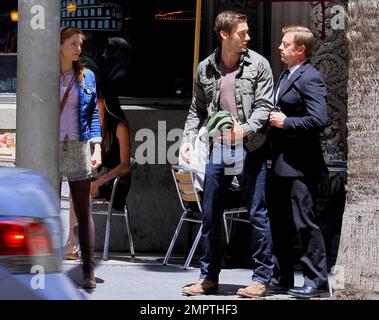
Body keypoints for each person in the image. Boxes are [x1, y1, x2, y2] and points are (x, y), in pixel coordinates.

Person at [180, 11, 274, 298]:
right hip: (218, 148)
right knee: (210, 213)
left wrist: (243, 131)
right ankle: (208, 277)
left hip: (251, 146)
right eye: (241, 32)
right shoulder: (206, 68)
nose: (248, 36)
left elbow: (264, 107)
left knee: (257, 213)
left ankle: (261, 279)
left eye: (247, 32)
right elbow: (197, 107)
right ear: (224, 34)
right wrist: (187, 137)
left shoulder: (259, 65)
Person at [268, 26, 329, 298]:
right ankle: (282, 277)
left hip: (301, 166)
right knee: (280, 223)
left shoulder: (310, 77)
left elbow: (319, 119)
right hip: (280, 163)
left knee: (304, 223)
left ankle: (316, 281)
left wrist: (286, 122)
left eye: (285, 44)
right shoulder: (286, 74)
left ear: (300, 50)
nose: (280, 47)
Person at [59, 27, 102, 289]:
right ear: (60, 45)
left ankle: (88, 268)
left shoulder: (87, 77)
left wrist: (96, 146)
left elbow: (94, 116)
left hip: (79, 145)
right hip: (50, 145)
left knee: (84, 210)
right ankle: (47, 264)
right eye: (73, 44)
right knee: (47, 209)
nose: (78, 49)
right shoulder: (46, 76)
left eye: (80, 44)